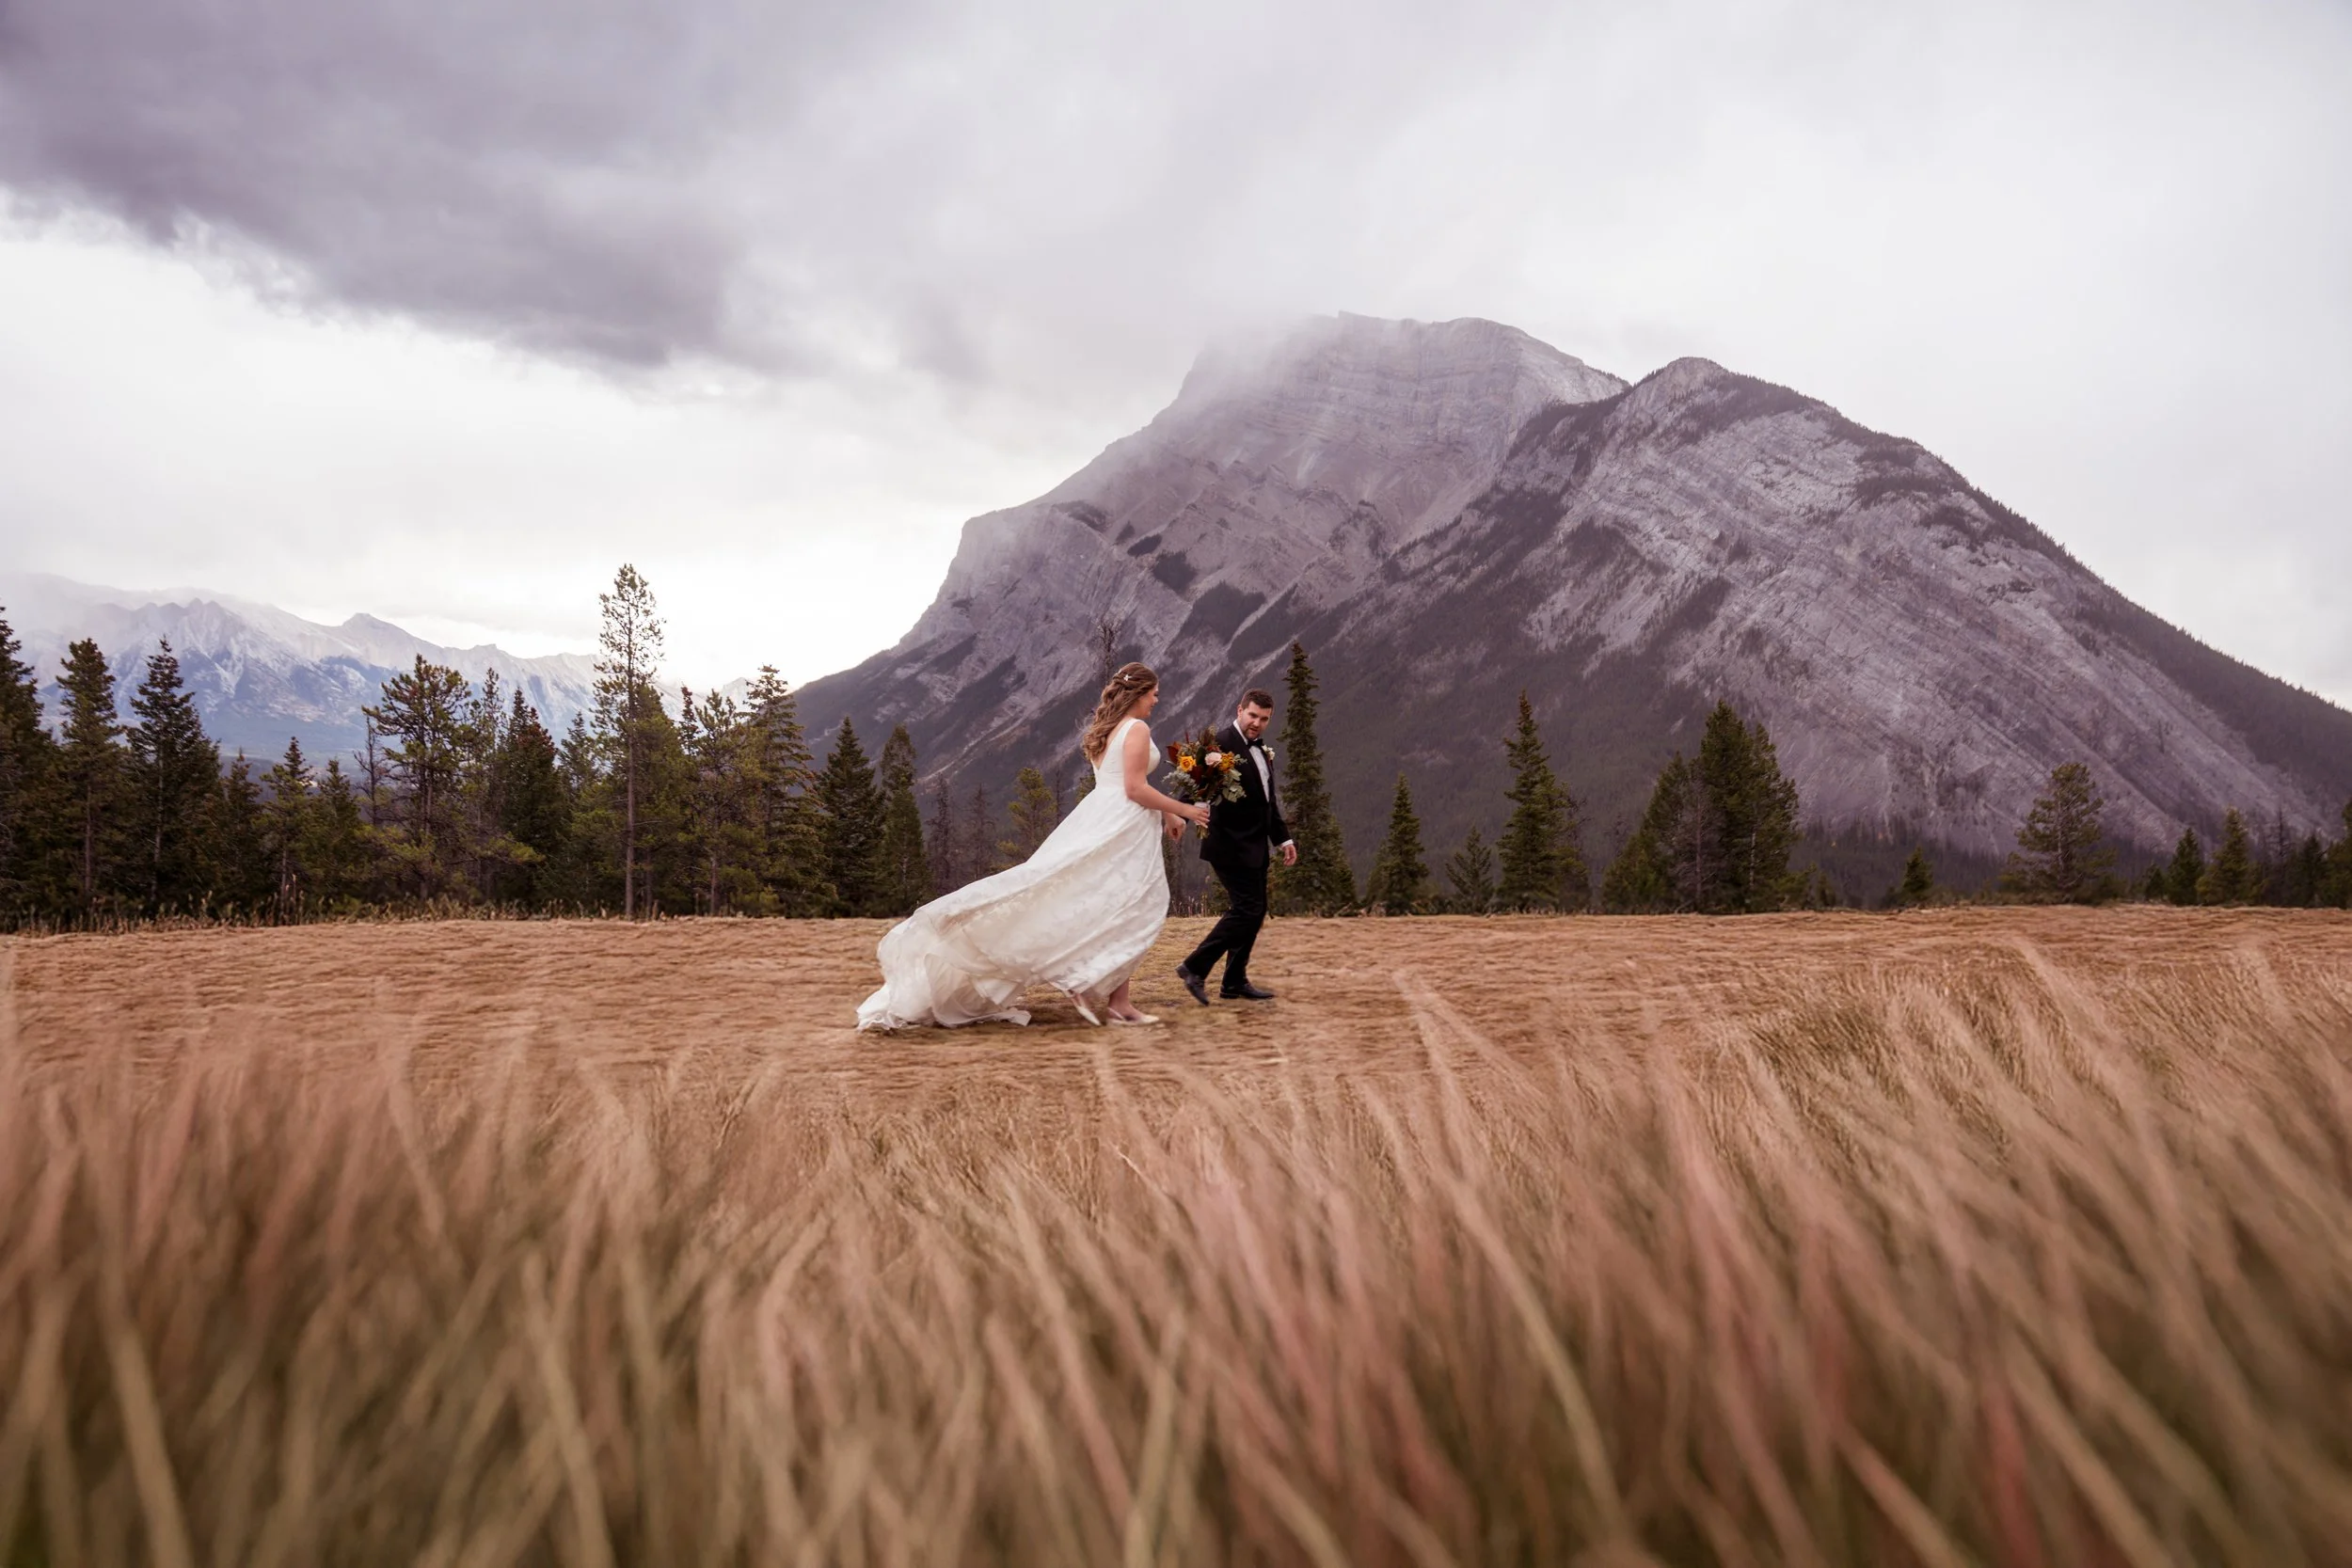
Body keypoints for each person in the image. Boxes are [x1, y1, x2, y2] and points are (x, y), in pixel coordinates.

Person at [855, 662, 1209, 1030]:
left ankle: (1115, 1000)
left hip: (1102, 815)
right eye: (1153, 692)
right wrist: (1183, 809)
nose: (1157, 698)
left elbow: (1125, 781)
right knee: (1126, 907)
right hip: (1122, 825)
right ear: (1138, 693)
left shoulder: (1107, 730)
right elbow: (1133, 788)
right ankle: (1090, 985)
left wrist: (1166, 815)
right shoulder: (1136, 728)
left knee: (1111, 905)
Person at [1174, 687, 1295, 1004]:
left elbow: (1267, 802)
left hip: (1255, 845)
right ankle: (1194, 967)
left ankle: (1234, 982)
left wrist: (1283, 838)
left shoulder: (1262, 750)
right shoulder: (1219, 746)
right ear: (1240, 710)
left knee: (1255, 912)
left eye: (1264, 719)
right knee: (1246, 909)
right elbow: (1194, 785)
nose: (1257, 723)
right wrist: (1177, 817)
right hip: (1227, 845)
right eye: (1252, 715)